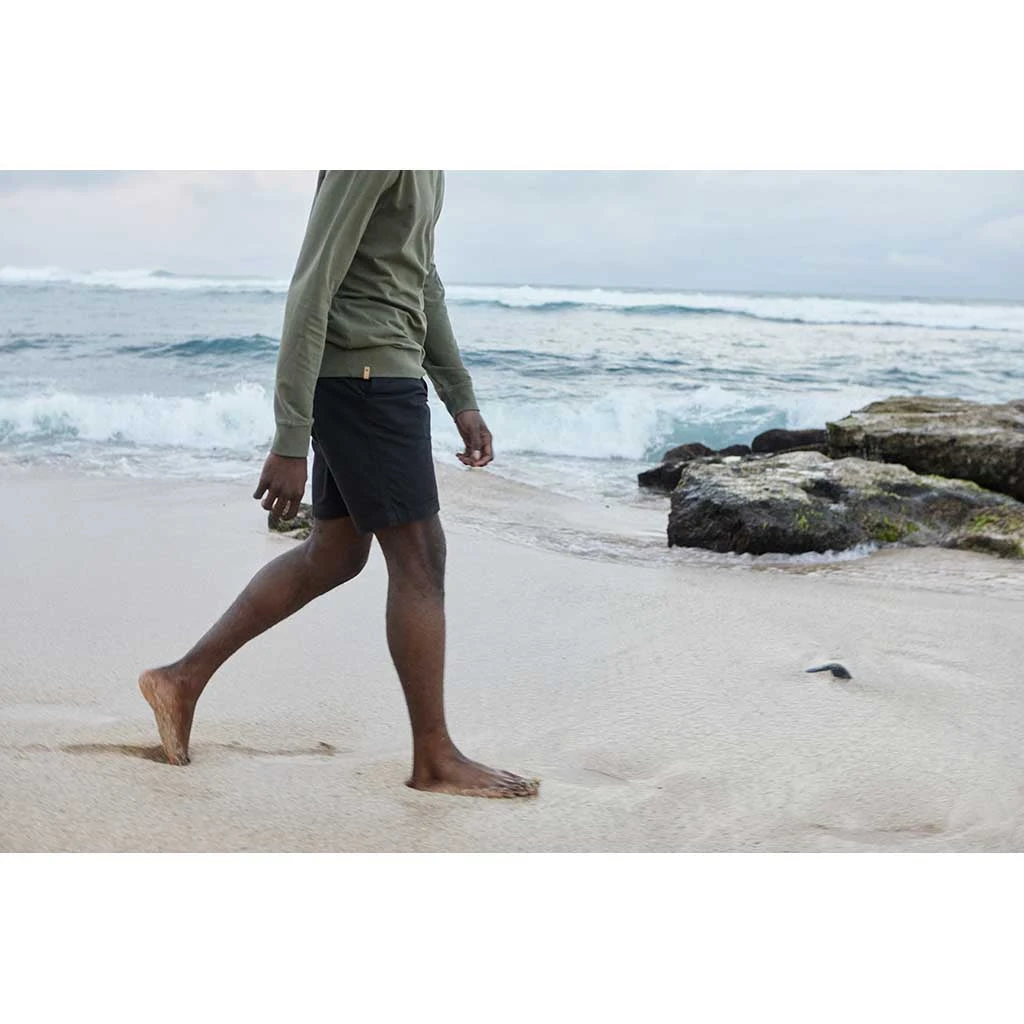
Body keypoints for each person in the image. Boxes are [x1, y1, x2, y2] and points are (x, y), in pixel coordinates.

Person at [139, 170, 539, 799]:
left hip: (381, 374)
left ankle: (180, 681)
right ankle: (434, 758)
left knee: (335, 554)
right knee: (421, 558)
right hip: (365, 381)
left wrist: (459, 396)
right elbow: (313, 283)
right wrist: (290, 436)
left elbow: (422, 280)